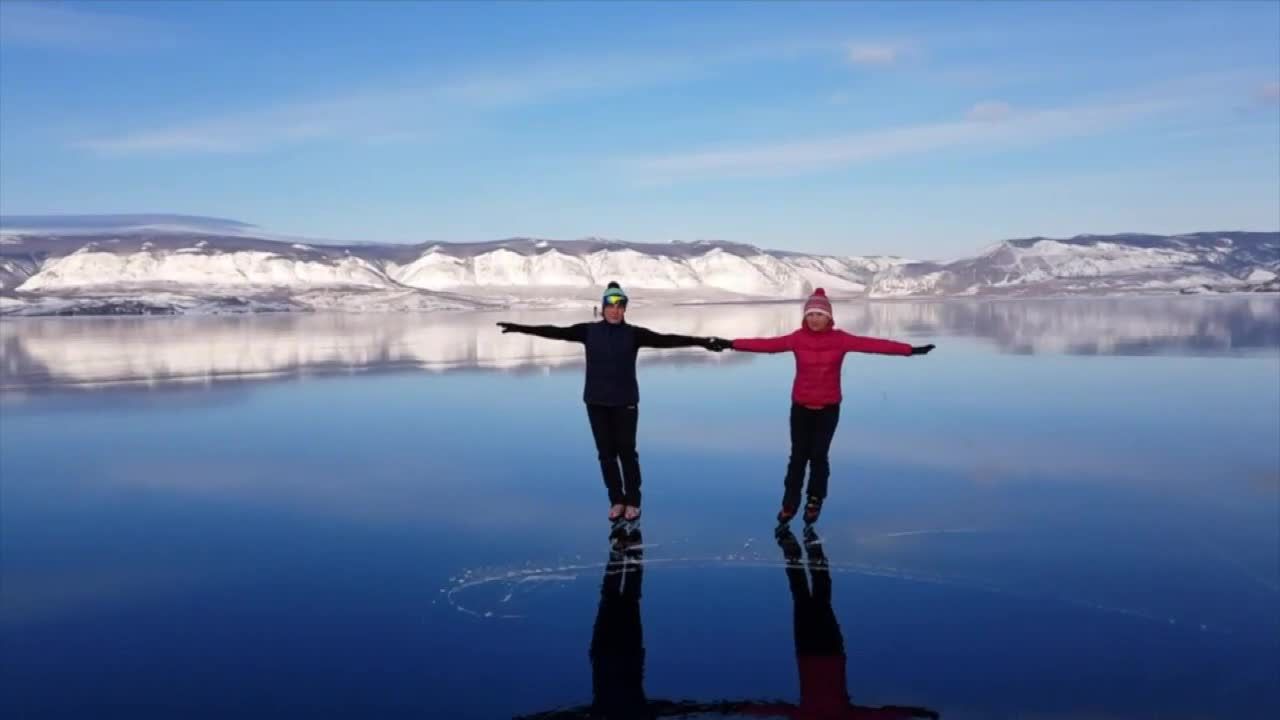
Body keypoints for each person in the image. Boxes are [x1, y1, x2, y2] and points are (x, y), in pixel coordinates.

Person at [498, 282, 730, 522]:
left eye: (620, 306)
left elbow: (668, 339)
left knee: (626, 452)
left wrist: (702, 341)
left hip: (624, 402)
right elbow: (555, 331)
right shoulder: (588, 331)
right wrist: (519, 328)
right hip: (596, 402)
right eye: (610, 305)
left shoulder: (634, 334)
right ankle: (616, 500)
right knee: (606, 454)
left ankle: (633, 501)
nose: (615, 311)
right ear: (602, 307)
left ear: (625, 309)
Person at [728, 288, 934, 525]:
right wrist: (731, 344)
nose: (814, 319)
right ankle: (790, 502)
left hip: (828, 408)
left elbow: (875, 344)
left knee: (818, 456)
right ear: (805, 317)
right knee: (797, 457)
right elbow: (766, 345)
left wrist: (910, 350)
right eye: (810, 315)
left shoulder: (841, 339)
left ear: (829, 317)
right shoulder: (797, 338)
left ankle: (815, 499)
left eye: (819, 314)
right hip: (801, 407)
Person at [732, 529, 940, 719]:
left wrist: (914, 713)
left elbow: (878, 715)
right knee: (804, 595)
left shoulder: (836, 716)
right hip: (815, 652)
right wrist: (913, 713)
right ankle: (798, 546)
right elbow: (879, 715)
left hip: (824, 652)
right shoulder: (824, 716)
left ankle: (807, 546)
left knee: (816, 595)